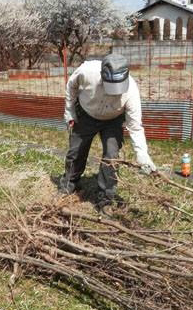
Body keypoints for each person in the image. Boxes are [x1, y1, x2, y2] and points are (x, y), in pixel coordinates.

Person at [59, 53, 156, 210]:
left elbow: (135, 127)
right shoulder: (87, 71)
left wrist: (142, 155)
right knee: (76, 151)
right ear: (102, 76)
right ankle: (69, 184)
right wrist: (69, 111)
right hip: (85, 114)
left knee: (111, 156)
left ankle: (105, 196)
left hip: (113, 120)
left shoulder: (131, 92)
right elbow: (71, 86)